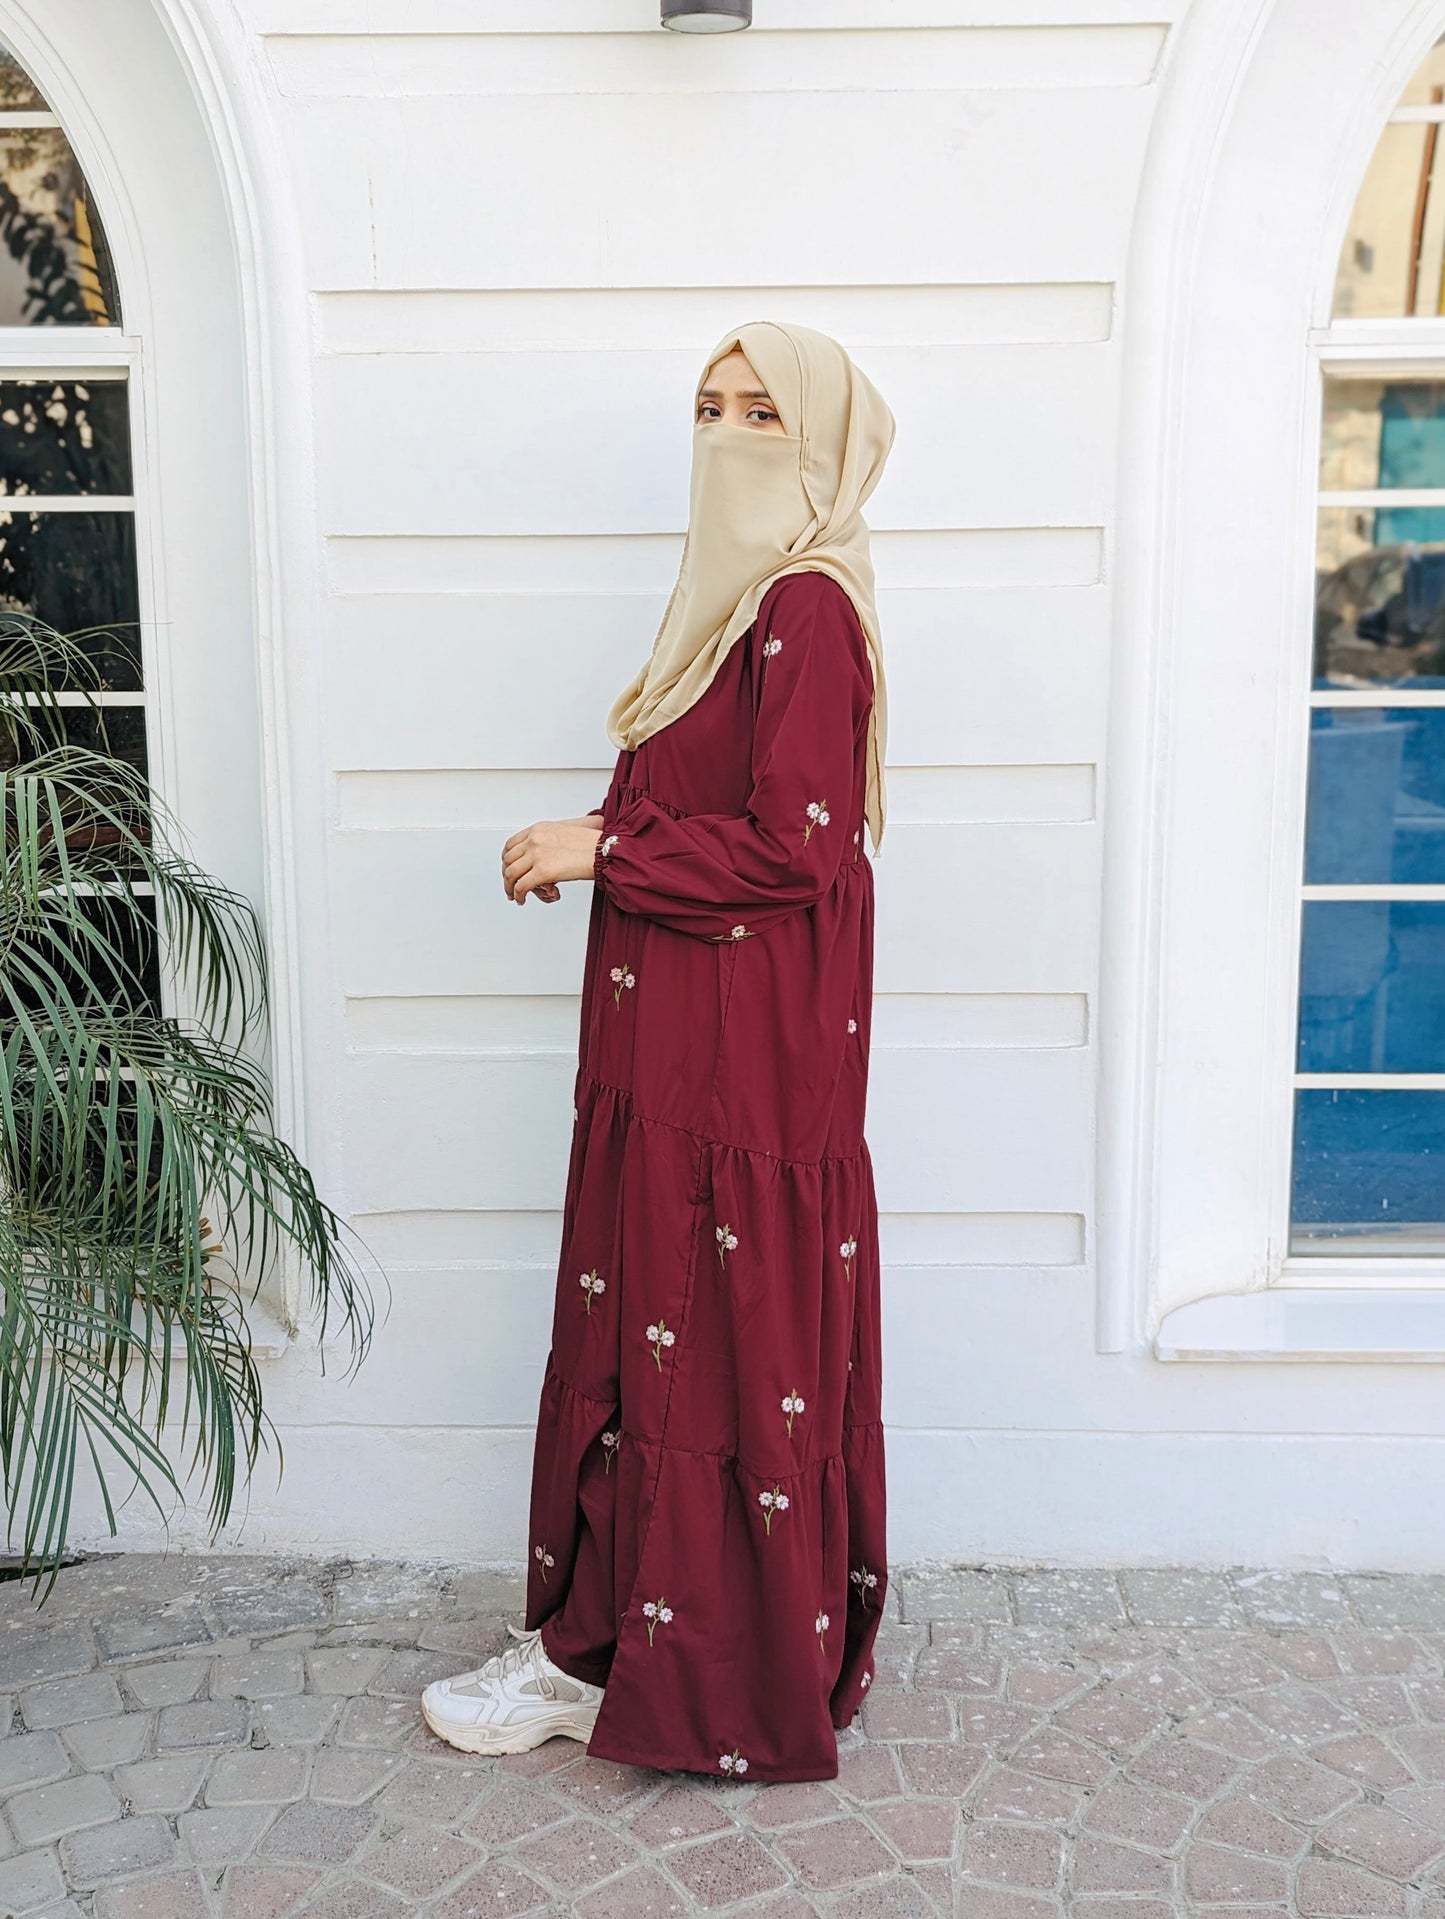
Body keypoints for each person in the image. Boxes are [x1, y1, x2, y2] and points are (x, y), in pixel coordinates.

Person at [422, 321, 895, 1783]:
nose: (727, 438)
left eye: (763, 416)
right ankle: (609, 1633)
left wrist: (600, 843)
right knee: (647, 1325)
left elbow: (792, 848)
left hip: (734, 1067)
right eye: (708, 408)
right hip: (675, 1048)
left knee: (699, 1327)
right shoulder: (725, 612)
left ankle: (654, 1666)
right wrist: (613, 848)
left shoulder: (802, 608)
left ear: (824, 450)